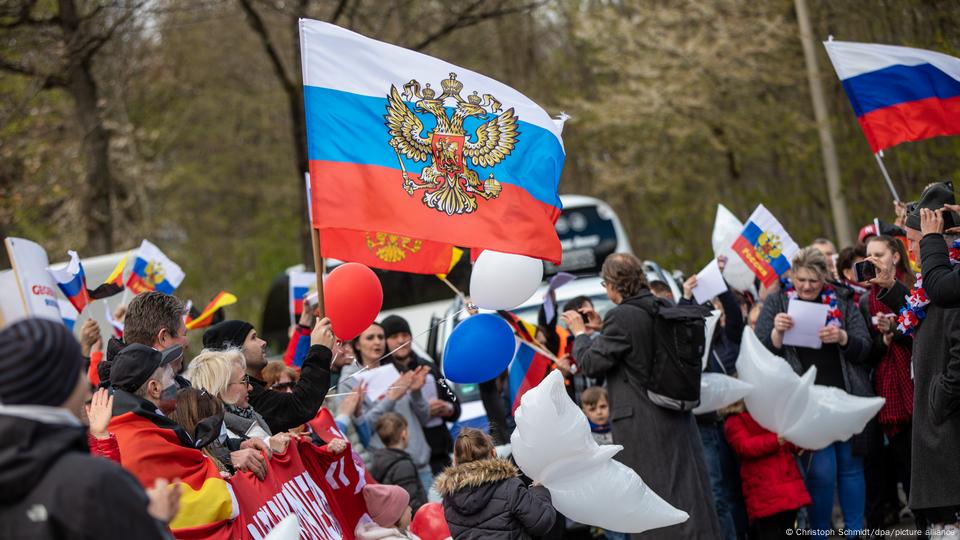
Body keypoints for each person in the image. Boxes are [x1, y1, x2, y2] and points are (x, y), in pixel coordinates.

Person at [563, 252, 722, 539]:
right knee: (689, 491)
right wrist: (602, 330)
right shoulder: (660, 305)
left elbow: (590, 363)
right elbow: (638, 346)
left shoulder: (622, 317)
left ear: (613, 284)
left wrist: (580, 334)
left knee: (653, 497)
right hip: (676, 415)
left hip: (643, 425)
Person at [0, 318, 176, 539]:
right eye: (79, 373)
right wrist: (155, 523)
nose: (87, 388)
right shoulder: (95, 484)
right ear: (62, 384)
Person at [755, 246, 872, 539]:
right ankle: (819, 533)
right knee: (821, 472)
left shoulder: (843, 301)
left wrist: (843, 337)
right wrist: (776, 334)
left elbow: (865, 347)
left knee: (851, 468)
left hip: (844, 396)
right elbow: (759, 354)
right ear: (792, 276)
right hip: (806, 401)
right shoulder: (778, 302)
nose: (807, 287)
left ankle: (855, 532)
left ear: (825, 279)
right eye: (801, 280)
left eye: (814, 281)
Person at [869, 182, 960, 533]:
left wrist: (941, 398)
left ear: (939, 239)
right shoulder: (935, 278)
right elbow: (920, 317)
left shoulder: (950, 276)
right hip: (937, 423)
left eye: (914, 241)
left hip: (948, 426)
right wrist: (891, 286)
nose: (909, 249)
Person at [681, 255, 745, 540]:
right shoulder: (697, 354)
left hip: (739, 422)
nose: (714, 319)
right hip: (710, 426)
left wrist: (718, 284)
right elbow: (682, 327)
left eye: (716, 315)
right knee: (722, 491)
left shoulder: (730, 341)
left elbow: (734, 312)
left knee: (744, 487)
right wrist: (687, 297)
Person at [339, 323, 434, 494]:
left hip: (421, 464)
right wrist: (390, 398)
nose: (377, 342)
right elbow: (359, 429)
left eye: (381, 337)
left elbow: (424, 418)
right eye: (370, 337)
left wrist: (417, 392)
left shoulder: (397, 369)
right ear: (357, 344)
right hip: (392, 471)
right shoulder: (349, 381)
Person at [862, 235, 915, 524]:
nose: (872, 261)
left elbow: (924, 335)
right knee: (905, 464)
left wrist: (897, 329)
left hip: (916, 382)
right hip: (888, 391)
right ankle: (920, 521)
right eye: (867, 256)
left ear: (895, 256)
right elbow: (866, 353)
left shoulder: (914, 287)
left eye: (878, 254)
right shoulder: (864, 299)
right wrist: (883, 338)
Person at [203, 317, 334, 434]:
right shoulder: (246, 397)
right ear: (235, 350)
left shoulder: (252, 391)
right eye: (253, 337)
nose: (263, 342)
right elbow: (298, 405)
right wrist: (319, 350)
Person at [435, 428, 556, 539]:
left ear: (455, 460)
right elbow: (542, 522)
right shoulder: (509, 487)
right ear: (493, 452)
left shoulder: (449, 500)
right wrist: (539, 490)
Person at [382, 314, 461, 475]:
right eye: (394, 336)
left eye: (405, 335)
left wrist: (447, 408)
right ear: (385, 341)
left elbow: (455, 403)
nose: (401, 341)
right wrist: (422, 410)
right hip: (407, 458)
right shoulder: (383, 374)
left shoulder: (427, 367)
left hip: (441, 454)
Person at [724, 402, 812, 539]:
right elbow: (745, 447)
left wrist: (803, 442)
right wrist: (775, 441)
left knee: (788, 531)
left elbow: (789, 442)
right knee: (770, 532)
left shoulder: (772, 415)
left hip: (787, 490)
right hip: (764, 493)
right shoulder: (734, 420)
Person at [185, 348, 289, 454]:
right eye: (244, 381)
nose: (251, 388)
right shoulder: (217, 436)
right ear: (221, 389)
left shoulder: (251, 416)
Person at [121, 292, 191, 388]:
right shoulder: (170, 399)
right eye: (184, 334)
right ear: (163, 337)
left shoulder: (111, 395)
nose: (187, 344)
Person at [369, 412, 428, 512]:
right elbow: (412, 503)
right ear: (404, 434)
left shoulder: (379, 460)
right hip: (411, 522)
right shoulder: (403, 466)